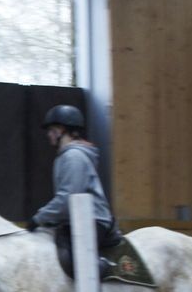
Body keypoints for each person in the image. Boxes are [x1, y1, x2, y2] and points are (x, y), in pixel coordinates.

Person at [27, 104, 124, 278]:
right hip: (77, 219)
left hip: (93, 220)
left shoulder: (74, 157)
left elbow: (67, 199)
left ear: (62, 130)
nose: (48, 135)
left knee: (77, 263)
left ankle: (102, 273)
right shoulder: (65, 157)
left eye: (51, 130)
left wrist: (39, 218)